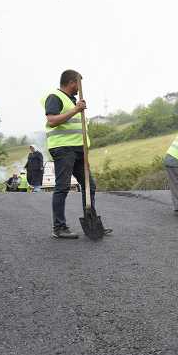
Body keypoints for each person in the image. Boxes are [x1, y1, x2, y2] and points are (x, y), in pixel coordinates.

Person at [42, 69, 110, 239]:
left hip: (79, 150)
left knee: (89, 186)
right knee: (62, 187)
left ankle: (91, 222)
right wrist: (76, 110)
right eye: (78, 84)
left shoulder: (72, 100)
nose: (79, 89)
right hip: (64, 149)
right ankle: (59, 228)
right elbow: (52, 121)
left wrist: (84, 153)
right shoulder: (55, 97)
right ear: (72, 82)